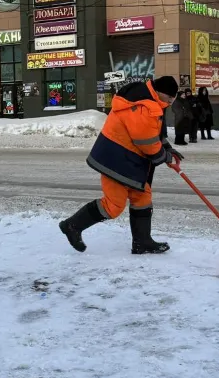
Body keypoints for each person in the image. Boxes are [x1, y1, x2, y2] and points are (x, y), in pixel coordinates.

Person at [59, 76, 182, 255]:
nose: (171, 102)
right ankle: (71, 225)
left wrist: (168, 149)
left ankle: (142, 242)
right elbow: (146, 141)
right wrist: (165, 157)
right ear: (160, 93)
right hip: (115, 159)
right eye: (170, 98)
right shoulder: (144, 106)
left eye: (174, 98)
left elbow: (155, 133)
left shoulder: (151, 101)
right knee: (113, 206)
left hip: (129, 158)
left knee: (142, 196)